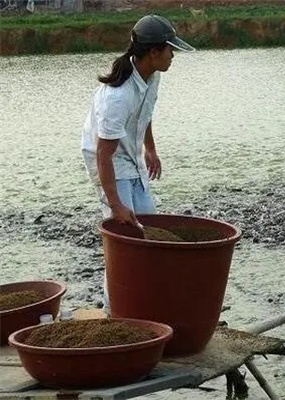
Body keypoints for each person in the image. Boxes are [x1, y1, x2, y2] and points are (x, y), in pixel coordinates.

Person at [81, 15, 194, 312]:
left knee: (147, 227)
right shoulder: (116, 97)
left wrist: (151, 149)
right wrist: (115, 204)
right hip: (108, 159)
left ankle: (145, 304)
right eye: (170, 50)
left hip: (130, 154)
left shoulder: (150, 77)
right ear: (154, 52)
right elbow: (103, 153)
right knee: (125, 237)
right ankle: (114, 312)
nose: (173, 56)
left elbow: (144, 115)